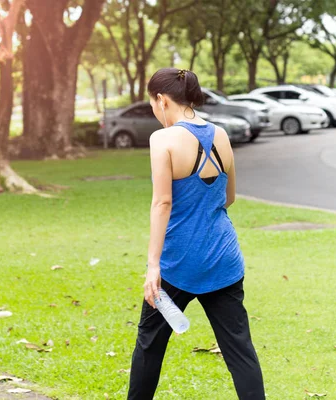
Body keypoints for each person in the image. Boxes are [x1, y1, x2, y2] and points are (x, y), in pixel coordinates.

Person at [127, 68, 265, 400]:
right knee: (240, 351)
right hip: (223, 259)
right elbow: (229, 197)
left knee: (149, 346)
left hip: (179, 264)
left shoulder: (163, 139)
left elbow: (162, 203)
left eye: (152, 104)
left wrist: (152, 266)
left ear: (161, 100)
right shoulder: (221, 134)